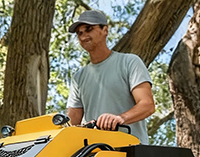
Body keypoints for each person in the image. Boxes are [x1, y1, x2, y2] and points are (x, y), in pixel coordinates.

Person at [66, 10, 155, 144]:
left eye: (89, 29)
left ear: (105, 30)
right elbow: (72, 122)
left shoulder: (129, 62)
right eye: (79, 33)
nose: (83, 36)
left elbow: (147, 105)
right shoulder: (79, 78)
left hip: (130, 151)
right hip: (93, 154)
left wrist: (120, 118)